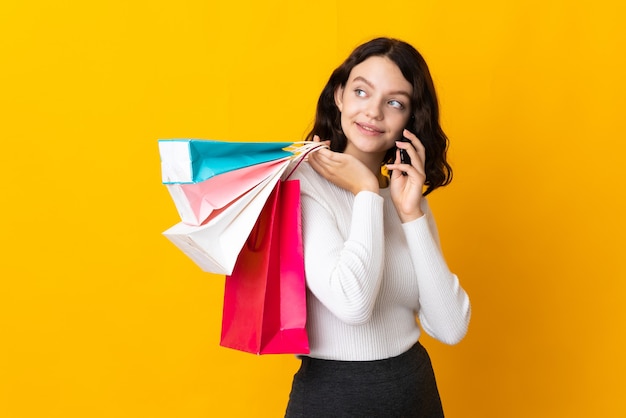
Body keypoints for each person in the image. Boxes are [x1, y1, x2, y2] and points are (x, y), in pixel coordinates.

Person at [284, 37, 471, 417]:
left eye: (395, 102)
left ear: (410, 118)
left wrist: (410, 212)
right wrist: (367, 192)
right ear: (339, 96)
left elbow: (450, 327)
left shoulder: (406, 197)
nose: (373, 112)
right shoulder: (302, 186)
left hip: (414, 390)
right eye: (361, 92)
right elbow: (352, 304)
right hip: (332, 398)